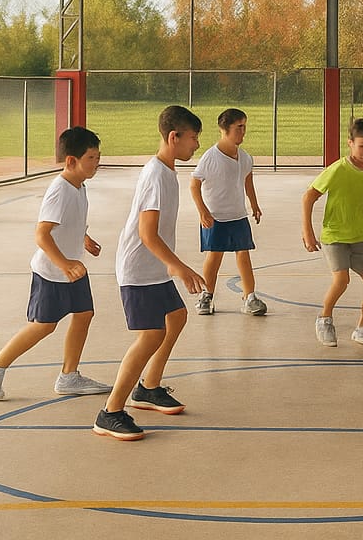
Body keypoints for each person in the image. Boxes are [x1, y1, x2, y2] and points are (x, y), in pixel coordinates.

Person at [93, 105, 208, 441]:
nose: (196, 145)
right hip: (138, 268)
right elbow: (147, 233)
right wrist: (179, 266)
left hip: (152, 266)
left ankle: (149, 387)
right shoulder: (157, 175)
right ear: (174, 137)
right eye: (193, 139)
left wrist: (170, 265)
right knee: (151, 335)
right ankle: (110, 411)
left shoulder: (166, 172)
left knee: (177, 316)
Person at [0, 126, 112, 401]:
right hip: (53, 271)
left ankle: (69, 376)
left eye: (98, 157)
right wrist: (63, 263)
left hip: (72, 267)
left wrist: (83, 238)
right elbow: (41, 233)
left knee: (84, 314)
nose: (97, 163)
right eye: (91, 158)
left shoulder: (79, 185)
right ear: (71, 161)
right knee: (43, 325)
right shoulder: (60, 190)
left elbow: (67, 223)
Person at [300, 117, 363, 349]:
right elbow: (308, 196)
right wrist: (307, 231)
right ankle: (324, 319)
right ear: (350, 143)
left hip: (358, 235)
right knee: (342, 280)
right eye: (360, 145)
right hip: (334, 235)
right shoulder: (337, 170)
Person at [190, 108, 265, 316]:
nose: (243, 131)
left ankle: (249, 297)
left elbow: (247, 179)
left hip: (238, 215)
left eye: (244, 127)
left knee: (243, 254)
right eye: (238, 127)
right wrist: (202, 211)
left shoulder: (245, 158)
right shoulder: (210, 158)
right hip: (215, 217)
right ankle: (206, 295)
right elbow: (194, 185)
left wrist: (254, 204)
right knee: (215, 256)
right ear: (224, 129)